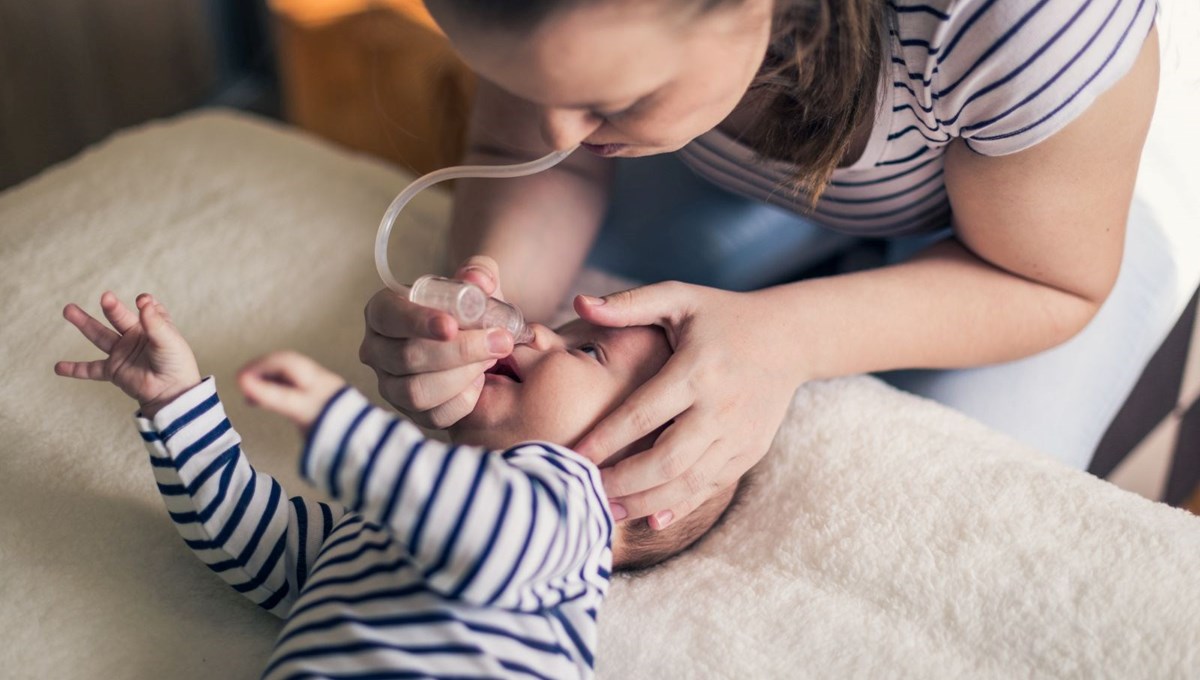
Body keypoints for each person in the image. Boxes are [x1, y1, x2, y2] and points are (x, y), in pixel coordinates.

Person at [359, 0, 1169, 531]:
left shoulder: (1023, 20)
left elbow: (1047, 280)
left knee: (950, 512)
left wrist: (786, 338)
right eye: (525, 83)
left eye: (612, 100)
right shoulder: (583, 63)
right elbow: (536, 156)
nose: (562, 131)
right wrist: (483, 317)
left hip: (1011, 247)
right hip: (719, 178)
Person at [54, 291, 740, 679]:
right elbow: (260, 548)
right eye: (560, 329)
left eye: (587, 351)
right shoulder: (393, 515)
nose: (535, 334)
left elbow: (481, 529)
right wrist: (176, 408)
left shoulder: (572, 508)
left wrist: (346, 428)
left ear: (652, 470)